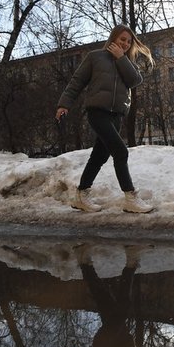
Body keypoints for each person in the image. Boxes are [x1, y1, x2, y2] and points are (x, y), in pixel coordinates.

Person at [55, 24, 154, 213]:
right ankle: (130, 197)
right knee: (121, 152)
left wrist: (121, 58)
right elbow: (77, 81)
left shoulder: (128, 63)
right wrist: (63, 104)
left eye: (128, 41)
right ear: (113, 38)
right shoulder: (95, 57)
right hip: (97, 112)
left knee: (99, 156)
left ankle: (81, 194)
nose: (125, 43)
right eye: (122, 39)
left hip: (116, 115)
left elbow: (135, 81)